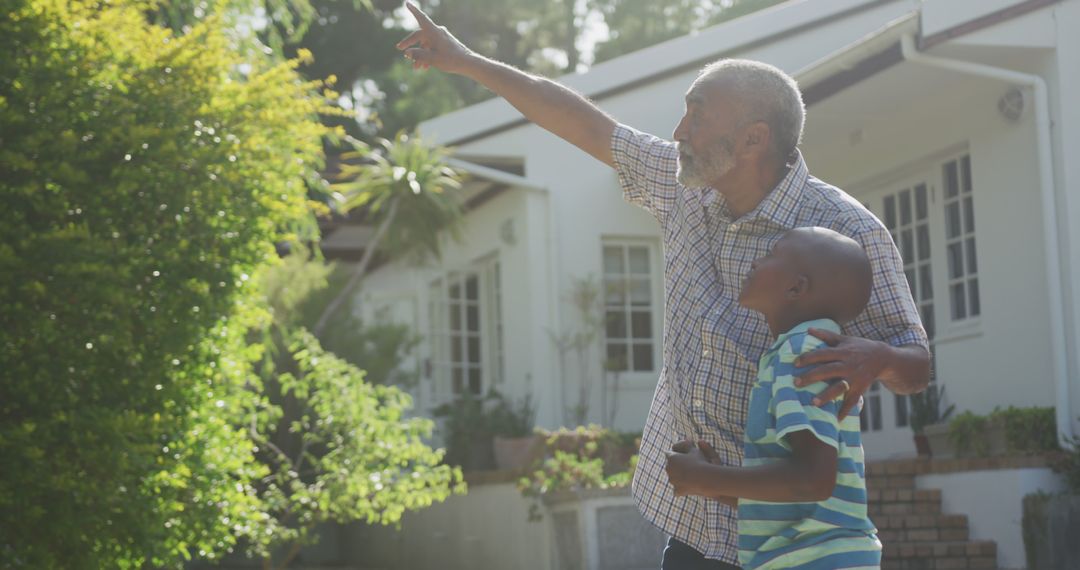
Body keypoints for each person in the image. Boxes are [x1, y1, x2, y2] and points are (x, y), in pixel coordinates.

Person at [395, 4, 931, 568]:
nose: (678, 133)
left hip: (794, 544)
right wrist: (467, 61)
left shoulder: (845, 230)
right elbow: (581, 122)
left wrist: (880, 357)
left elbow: (915, 365)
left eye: (697, 117)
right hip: (698, 523)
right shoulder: (685, 190)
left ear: (753, 139)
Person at [665, 226, 881, 570]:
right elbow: (799, 495)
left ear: (796, 287)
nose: (755, 261)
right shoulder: (797, 351)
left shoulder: (802, 354)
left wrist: (704, 478)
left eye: (770, 255)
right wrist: (714, 484)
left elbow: (814, 479)